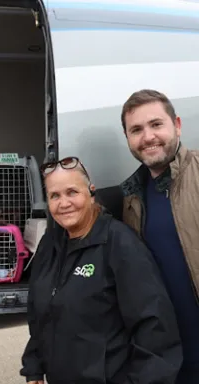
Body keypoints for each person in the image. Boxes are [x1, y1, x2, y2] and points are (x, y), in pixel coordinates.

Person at [20, 156, 182, 384]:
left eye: (72, 192)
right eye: (54, 196)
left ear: (91, 192)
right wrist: (34, 367)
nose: (63, 203)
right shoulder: (50, 244)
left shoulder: (120, 243)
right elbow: (38, 313)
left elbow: (155, 327)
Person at [120, 89, 199, 383]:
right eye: (136, 129)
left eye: (156, 124)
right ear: (127, 138)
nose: (148, 136)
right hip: (168, 363)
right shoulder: (132, 197)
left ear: (176, 125)